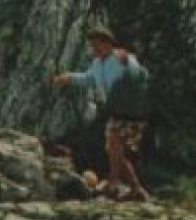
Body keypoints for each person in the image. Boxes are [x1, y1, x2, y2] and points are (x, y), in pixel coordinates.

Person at [50, 26, 150, 201]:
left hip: (131, 110)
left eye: (96, 45)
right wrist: (68, 78)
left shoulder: (121, 58)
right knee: (115, 151)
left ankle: (113, 184)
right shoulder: (97, 65)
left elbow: (141, 76)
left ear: (108, 44)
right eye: (92, 45)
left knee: (114, 147)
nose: (93, 49)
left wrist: (128, 63)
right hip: (116, 111)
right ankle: (137, 189)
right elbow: (88, 79)